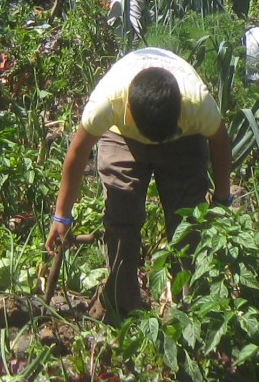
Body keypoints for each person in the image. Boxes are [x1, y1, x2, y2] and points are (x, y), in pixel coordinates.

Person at [46, 47, 233, 320]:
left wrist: (222, 198)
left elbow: (220, 143)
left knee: (189, 219)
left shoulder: (196, 102)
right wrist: (61, 215)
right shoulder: (109, 102)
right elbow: (77, 152)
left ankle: (193, 307)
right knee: (121, 213)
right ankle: (122, 306)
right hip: (122, 135)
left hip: (183, 139)